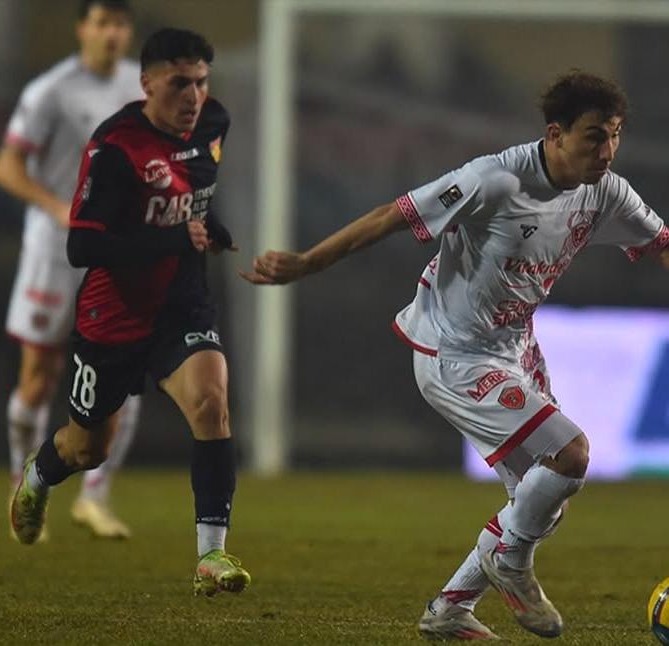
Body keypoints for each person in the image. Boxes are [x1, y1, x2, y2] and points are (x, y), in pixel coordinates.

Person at [242, 71, 669, 640]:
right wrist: (307, 262)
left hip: (514, 349)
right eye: (594, 136)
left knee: (540, 502)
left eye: (615, 135)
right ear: (555, 134)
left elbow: (662, 243)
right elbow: (393, 215)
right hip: (454, 354)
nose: (608, 151)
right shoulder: (494, 180)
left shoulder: (605, 191)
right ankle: (509, 563)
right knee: (570, 456)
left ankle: (449, 608)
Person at [9, 26, 251, 598]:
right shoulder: (114, 148)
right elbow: (83, 247)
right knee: (88, 449)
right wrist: (174, 238)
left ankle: (210, 554)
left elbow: (191, 197)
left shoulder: (213, 123)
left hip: (181, 304)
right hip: (113, 318)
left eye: (201, 82)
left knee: (212, 402)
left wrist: (210, 228)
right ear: (147, 83)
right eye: (179, 83)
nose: (193, 96)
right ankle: (39, 475)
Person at [0, 0, 142, 540]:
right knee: (40, 375)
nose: (111, 33)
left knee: (126, 377)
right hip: (54, 250)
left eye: (120, 24)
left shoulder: (142, 87)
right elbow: (7, 166)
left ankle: (94, 498)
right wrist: (57, 207)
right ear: (83, 28)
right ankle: (24, 488)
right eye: (102, 22)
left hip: (116, 253)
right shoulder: (50, 91)